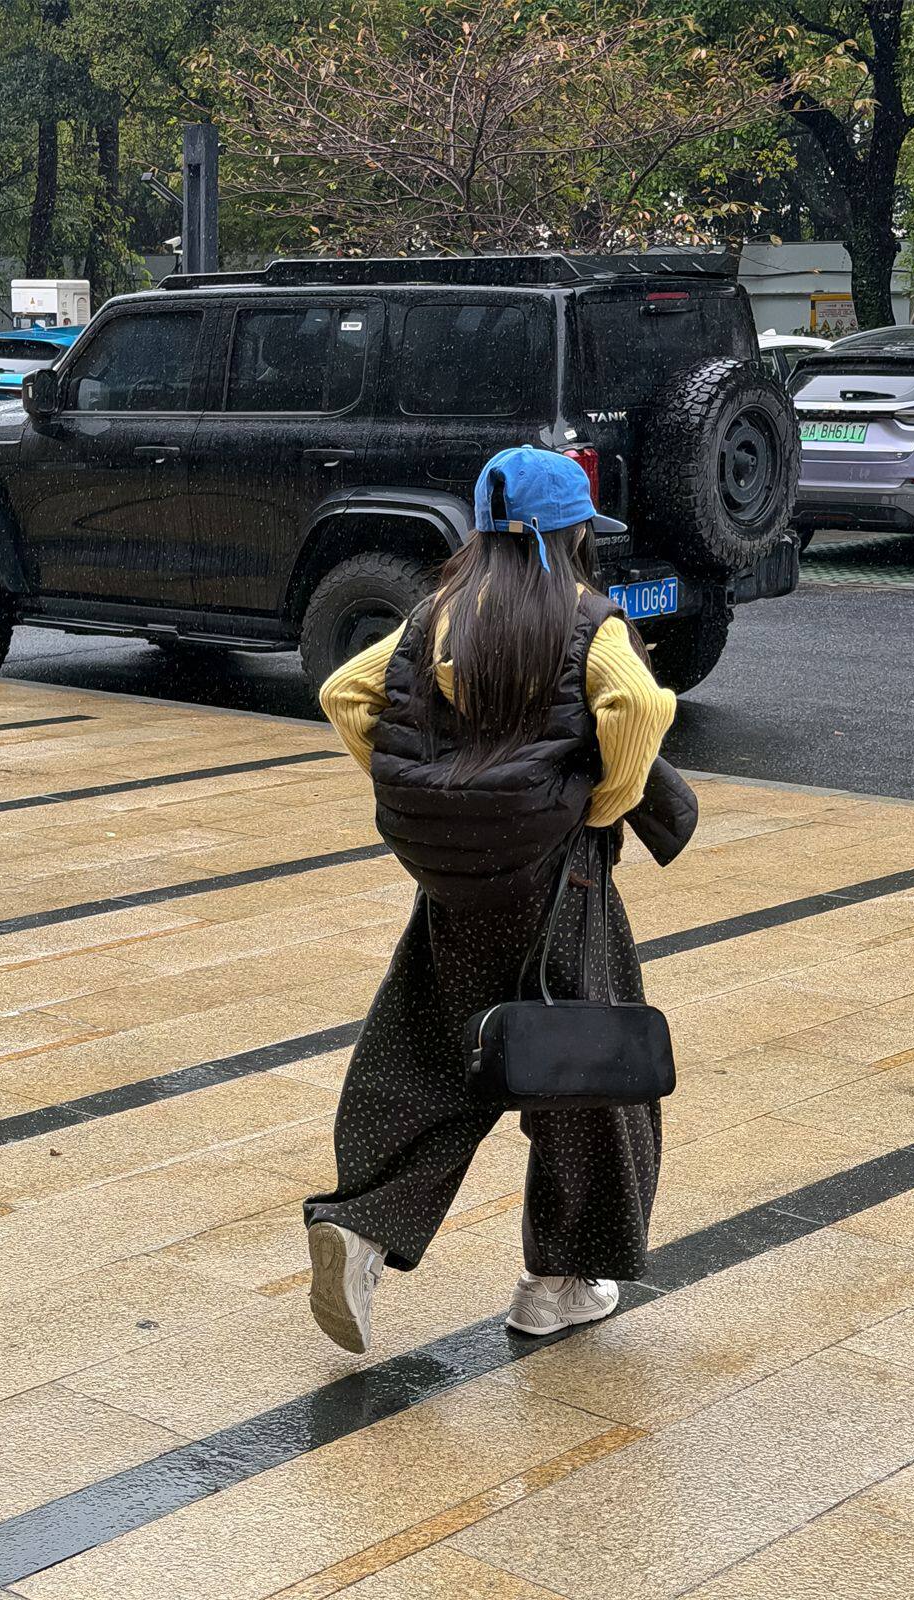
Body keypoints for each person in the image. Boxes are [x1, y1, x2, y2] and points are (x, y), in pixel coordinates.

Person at [303, 445, 697, 1354]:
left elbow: (343, 693)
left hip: (459, 887)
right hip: (562, 887)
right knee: (587, 1073)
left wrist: (440, 787)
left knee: (423, 1059)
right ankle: (556, 1285)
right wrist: (604, 802)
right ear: (571, 534)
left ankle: (360, 1229)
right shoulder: (586, 620)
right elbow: (640, 709)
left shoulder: (435, 616)